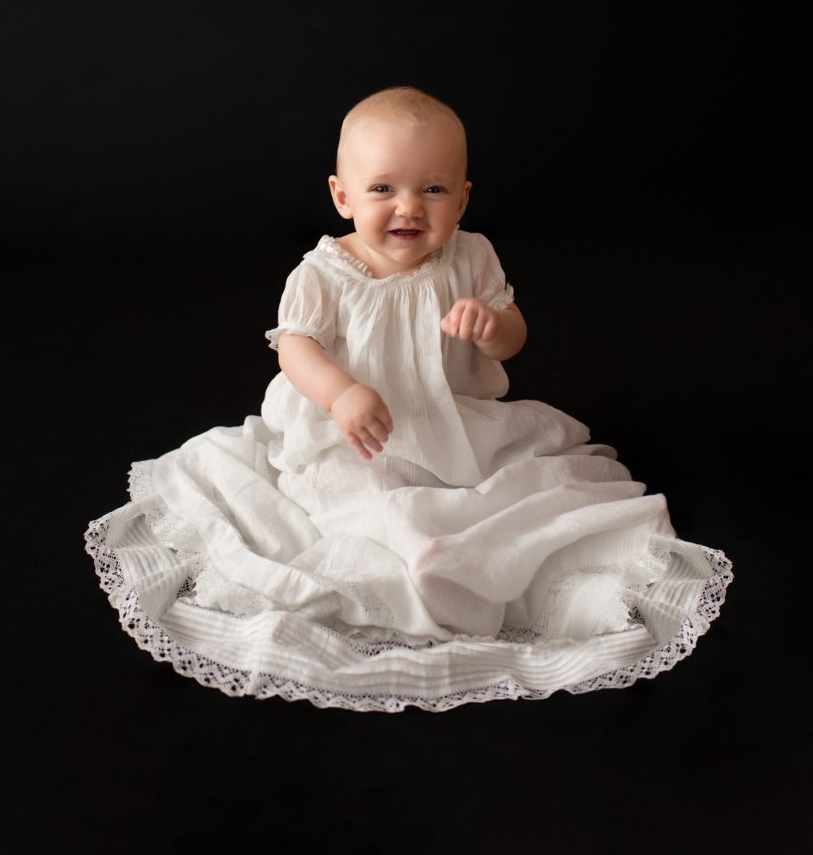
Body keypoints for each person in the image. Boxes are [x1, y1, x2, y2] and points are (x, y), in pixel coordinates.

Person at [84, 86, 733, 713]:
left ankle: (467, 554)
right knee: (391, 525)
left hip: (449, 423)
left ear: (462, 198)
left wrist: (493, 327)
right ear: (341, 196)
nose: (408, 209)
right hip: (352, 432)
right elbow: (296, 350)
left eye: (433, 190)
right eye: (382, 189)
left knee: (504, 498)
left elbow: (511, 340)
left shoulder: (470, 257)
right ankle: (414, 577)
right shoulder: (323, 273)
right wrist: (340, 395)